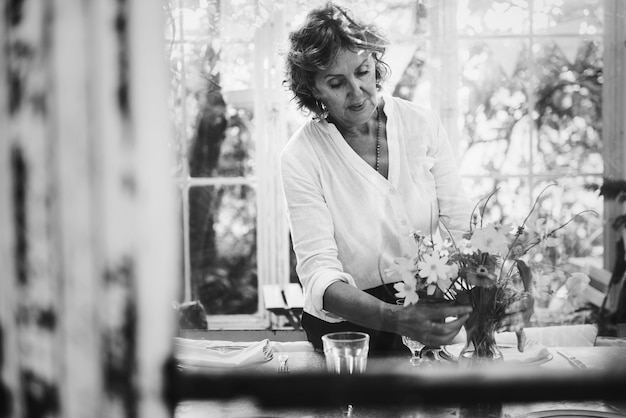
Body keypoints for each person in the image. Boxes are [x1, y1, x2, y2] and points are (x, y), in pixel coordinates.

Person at [280, 3, 530, 352]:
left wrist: (501, 295)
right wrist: (392, 318)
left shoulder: (421, 125)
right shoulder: (302, 155)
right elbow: (319, 275)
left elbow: (463, 229)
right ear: (314, 89)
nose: (357, 91)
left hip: (423, 306)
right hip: (347, 331)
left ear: (375, 63)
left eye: (363, 71)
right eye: (337, 83)